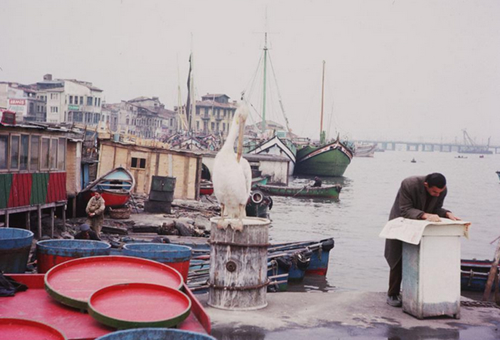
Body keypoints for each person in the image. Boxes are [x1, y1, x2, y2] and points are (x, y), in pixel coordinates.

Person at [384, 173, 460, 307]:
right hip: (400, 221)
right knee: (397, 258)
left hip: (422, 224)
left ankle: (417, 292)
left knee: (422, 257)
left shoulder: (441, 190)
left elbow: (437, 208)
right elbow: (405, 209)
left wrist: (447, 213)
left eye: (440, 192)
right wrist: (425, 215)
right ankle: (393, 293)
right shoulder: (409, 184)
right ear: (426, 185)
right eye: (434, 191)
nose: (437, 194)